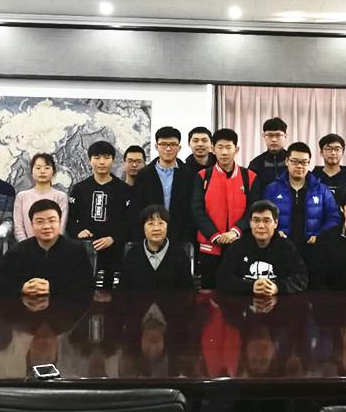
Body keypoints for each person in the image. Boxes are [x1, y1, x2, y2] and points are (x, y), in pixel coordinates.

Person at [191, 128, 261, 288]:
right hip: (210, 247)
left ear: (236, 149)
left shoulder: (250, 177)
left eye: (228, 147)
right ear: (212, 149)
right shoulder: (203, 176)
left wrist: (235, 232)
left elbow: (253, 210)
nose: (224, 152)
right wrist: (215, 235)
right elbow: (197, 210)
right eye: (220, 147)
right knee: (209, 292)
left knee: (240, 291)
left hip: (241, 244)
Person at [0, 199, 94, 295]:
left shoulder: (76, 250)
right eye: (40, 221)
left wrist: (51, 288)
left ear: (60, 222)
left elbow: (87, 284)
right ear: (32, 225)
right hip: (25, 306)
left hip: (64, 306)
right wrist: (22, 287)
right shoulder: (19, 250)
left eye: (52, 220)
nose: (46, 226)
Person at [263, 141, 340, 266]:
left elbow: (333, 217)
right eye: (294, 161)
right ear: (287, 161)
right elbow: (264, 217)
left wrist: (320, 234)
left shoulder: (322, 190)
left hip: (313, 249)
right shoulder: (272, 189)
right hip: (281, 248)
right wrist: (275, 231)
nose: (299, 166)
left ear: (309, 163)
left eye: (304, 162)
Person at [216, 200, 308, 295]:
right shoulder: (237, 247)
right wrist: (251, 286)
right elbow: (222, 279)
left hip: (279, 302)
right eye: (256, 220)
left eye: (266, 221)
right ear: (250, 223)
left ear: (276, 223)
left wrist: (278, 287)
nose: (261, 226)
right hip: (244, 302)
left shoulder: (287, 247)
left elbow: (302, 278)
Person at [66, 140, 130, 271]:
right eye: (97, 158)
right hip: (86, 251)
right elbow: (70, 220)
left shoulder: (124, 190)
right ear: (90, 160)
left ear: (113, 160)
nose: (102, 162)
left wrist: (113, 238)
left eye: (106, 158)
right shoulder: (79, 189)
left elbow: (130, 221)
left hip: (115, 251)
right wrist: (78, 232)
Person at [131, 126, 195, 242]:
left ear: (179, 147)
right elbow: (136, 208)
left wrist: (187, 238)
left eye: (173, 144)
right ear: (156, 147)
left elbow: (192, 209)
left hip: (180, 236)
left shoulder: (188, 174)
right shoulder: (144, 175)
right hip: (150, 236)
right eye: (163, 144)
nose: (168, 148)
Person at [120, 204, 194, 290]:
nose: (156, 228)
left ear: (167, 227)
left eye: (161, 223)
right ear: (143, 227)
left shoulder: (179, 254)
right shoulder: (132, 255)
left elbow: (189, 292)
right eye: (150, 223)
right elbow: (122, 291)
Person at [13, 153, 68, 242]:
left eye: (47, 168)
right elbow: (18, 227)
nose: (42, 171)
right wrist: (26, 246)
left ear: (53, 172)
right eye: (38, 168)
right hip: (27, 247)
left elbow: (60, 227)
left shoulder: (60, 197)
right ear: (31, 171)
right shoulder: (22, 196)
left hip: (54, 246)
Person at [312, 133, 346, 201]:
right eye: (328, 149)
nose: (333, 153)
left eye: (337, 149)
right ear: (321, 152)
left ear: (343, 152)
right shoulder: (312, 178)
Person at [248, 117, 289, 189]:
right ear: (264, 136)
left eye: (278, 135)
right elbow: (252, 191)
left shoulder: (293, 161)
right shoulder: (255, 164)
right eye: (270, 135)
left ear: (285, 136)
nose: (274, 139)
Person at [122, 144, 147, 240]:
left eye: (138, 162)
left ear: (144, 164)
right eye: (130, 161)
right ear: (124, 163)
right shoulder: (117, 189)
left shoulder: (149, 191)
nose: (134, 165)